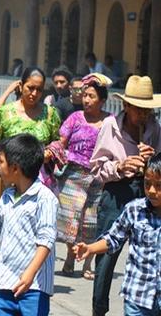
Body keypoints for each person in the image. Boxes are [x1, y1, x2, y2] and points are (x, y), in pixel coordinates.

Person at [0, 134, 58, 315]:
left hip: (34, 287)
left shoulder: (45, 199)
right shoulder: (6, 196)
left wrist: (30, 273)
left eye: (1, 161)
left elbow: (46, 241)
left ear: (15, 168)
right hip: (4, 282)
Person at [89, 75, 161, 316]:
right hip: (116, 195)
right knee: (106, 259)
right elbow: (96, 168)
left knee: (149, 252)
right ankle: (99, 309)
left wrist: (151, 158)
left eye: (147, 110)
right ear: (126, 106)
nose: (143, 115)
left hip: (147, 193)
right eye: (138, 110)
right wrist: (119, 167)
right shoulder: (111, 126)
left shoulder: (154, 127)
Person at [74, 152, 161, 315]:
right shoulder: (135, 209)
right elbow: (113, 238)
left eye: (159, 185)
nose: (152, 190)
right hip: (138, 297)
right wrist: (90, 248)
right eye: (147, 183)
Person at [54, 74, 112, 280]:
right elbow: (61, 141)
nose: (86, 100)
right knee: (70, 219)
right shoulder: (75, 118)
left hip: (99, 177)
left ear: (102, 101)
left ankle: (87, 263)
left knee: (91, 221)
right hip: (74, 174)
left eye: (92, 96)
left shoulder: (110, 122)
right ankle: (71, 256)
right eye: (85, 95)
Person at [0, 67, 61, 149]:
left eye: (39, 89)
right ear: (21, 86)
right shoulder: (5, 113)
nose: (34, 93)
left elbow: (56, 143)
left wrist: (48, 154)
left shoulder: (50, 114)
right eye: (30, 88)